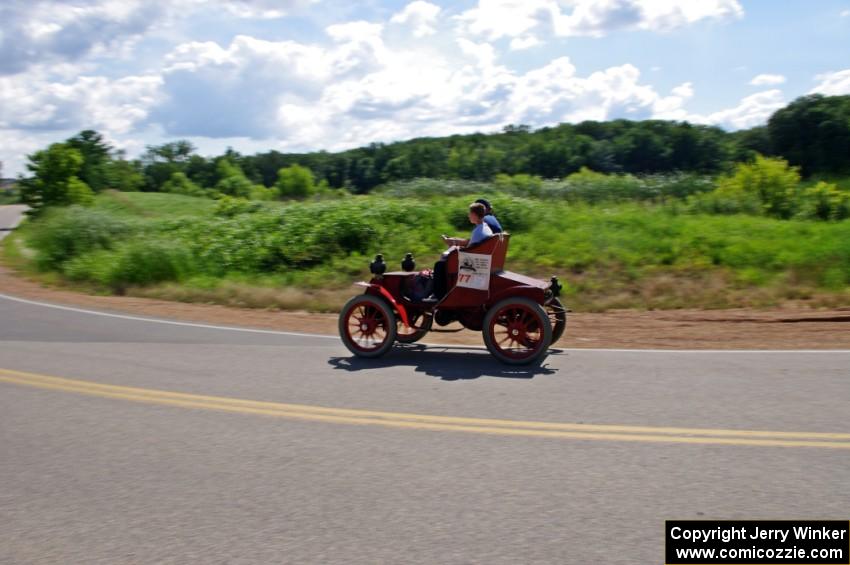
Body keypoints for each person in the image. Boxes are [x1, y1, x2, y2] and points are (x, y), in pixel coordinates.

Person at [433, 202, 493, 298]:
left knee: (439, 265)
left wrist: (456, 248)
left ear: (474, 215)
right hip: (477, 258)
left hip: (472, 262)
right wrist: (455, 243)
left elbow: (470, 250)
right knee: (446, 257)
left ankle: (439, 294)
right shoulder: (484, 227)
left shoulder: (478, 231)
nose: (468, 215)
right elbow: (471, 245)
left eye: (470, 213)